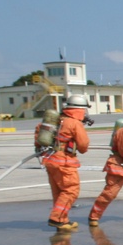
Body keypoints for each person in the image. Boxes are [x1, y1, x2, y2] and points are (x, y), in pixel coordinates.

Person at [38, 94, 92, 232]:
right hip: (64, 162)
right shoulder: (74, 123)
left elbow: (39, 133)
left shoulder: (59, 119)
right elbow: (83, 146)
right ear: (80, 109)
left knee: (59, 192)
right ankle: (56, 218)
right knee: (70, 190)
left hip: (50, 160)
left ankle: (63, 221)